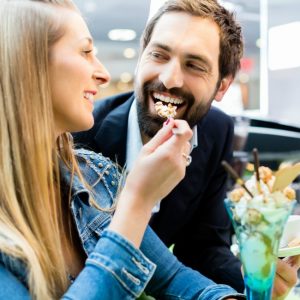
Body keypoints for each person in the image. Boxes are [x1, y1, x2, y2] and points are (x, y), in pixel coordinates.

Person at [0, 0, 247, 299]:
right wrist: (138, 201)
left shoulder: (93, 174)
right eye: (86, 51)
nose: (104, 74)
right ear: (28, 65)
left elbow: (174, 277)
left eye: (194, 65)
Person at [73, 0, 300, 297]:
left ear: (222, 86)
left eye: (194, 65)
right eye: (159, 54)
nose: (169, 79)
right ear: (141, 57)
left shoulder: (217, 131)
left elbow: (202, 247)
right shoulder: (79, 134)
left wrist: (251, 275)